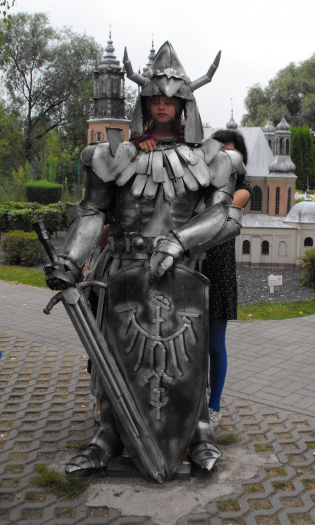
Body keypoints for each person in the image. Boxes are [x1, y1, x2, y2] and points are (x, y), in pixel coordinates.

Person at [43, 42, 246, 482]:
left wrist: (177, 240)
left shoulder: (214, 158)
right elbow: (93, 213)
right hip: (120, 270)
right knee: (113, 359)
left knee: (188, 360)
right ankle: (107, 436)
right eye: (155, 96)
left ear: (184, 102)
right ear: (144, 100)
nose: (161, 104)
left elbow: (226, 217)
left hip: (183, 273)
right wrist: (70, 259)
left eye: (169, 97)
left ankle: (198, 432)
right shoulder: (112, 156)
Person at [203, 130, 250, 428]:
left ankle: (214, 404)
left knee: (214, 343)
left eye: (231, 154)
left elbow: (219, 211)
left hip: (217, 267)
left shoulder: (243, 190)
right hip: (192, 262)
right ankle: (193, 395)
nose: (225, 160)